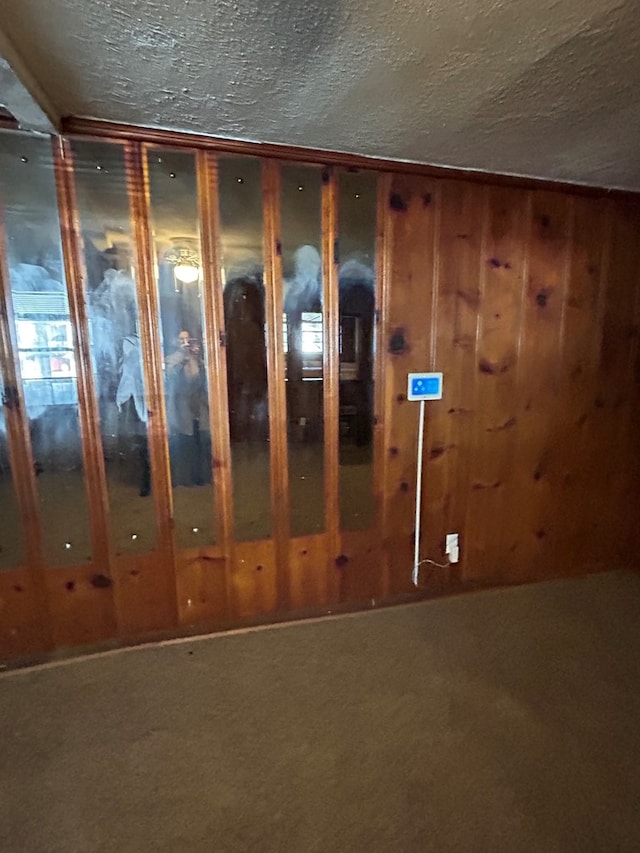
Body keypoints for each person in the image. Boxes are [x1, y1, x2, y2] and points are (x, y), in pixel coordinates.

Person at [165, 330, 210, 486]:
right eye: (181, 340)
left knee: (203, 444)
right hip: (182, 411)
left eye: (187, 340)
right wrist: (181, 357)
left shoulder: (199, 359)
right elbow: (168, 375)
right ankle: (184, 479)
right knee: (184, 445)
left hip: (201, 409)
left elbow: (204, 381)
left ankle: (202, 477)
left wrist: (194, 358)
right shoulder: (172, 359)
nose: (185, 343)